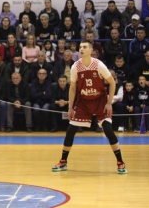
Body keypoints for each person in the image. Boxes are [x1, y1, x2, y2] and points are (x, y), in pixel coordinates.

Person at [52, 40, 127, 174]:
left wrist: (109, 103)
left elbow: (112, 83)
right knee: (70, 130)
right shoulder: (75, 67)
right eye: (80, 47)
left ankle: (120, 162)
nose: (81, 49)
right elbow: (73, 88)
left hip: (100, 101)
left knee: (108, 130)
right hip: (83, 102)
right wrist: (70, 107)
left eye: (84, 47)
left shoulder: (98, 65)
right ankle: (63, 161)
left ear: (91, 51)